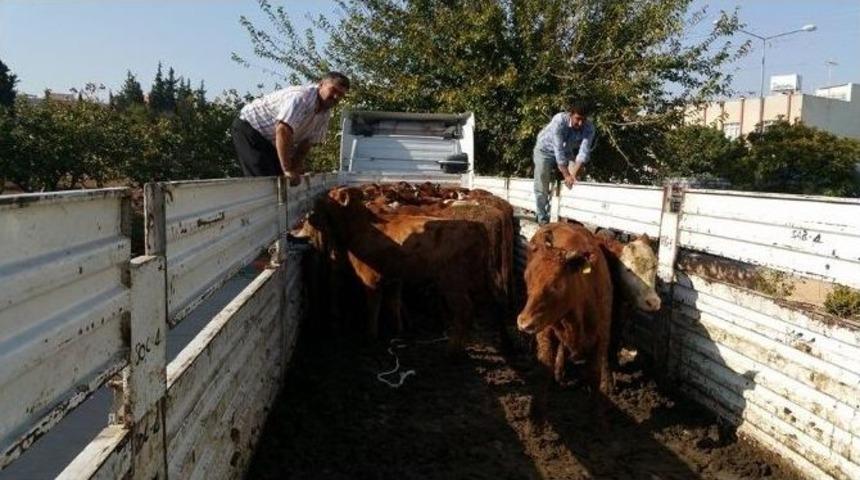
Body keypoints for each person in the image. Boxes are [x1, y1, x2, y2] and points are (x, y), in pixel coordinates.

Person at [231, 71, 350, 185]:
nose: (335, 97)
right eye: (333, 90)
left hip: (271, 140)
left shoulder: (325, 114)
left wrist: (295, 168)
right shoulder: (301, 98)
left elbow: (306, 144)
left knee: (280, 178)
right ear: (320, 84)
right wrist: (288, 169)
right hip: (250, 127)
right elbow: (283, 130)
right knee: (263, 178)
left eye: (340, 95)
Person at [532, 104, 595, 224]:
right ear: (570, 114)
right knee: (542, 182)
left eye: (583, 119)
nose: (580, 123)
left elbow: (583, 153)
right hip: (544, 150)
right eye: (577, 119)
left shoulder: (589, 128)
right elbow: (558, 150)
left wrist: (573, 175)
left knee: (577, 177)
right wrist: (566, 175)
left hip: (566, 152)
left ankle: (570, 216)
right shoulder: (559, 120)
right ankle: (542, 218)